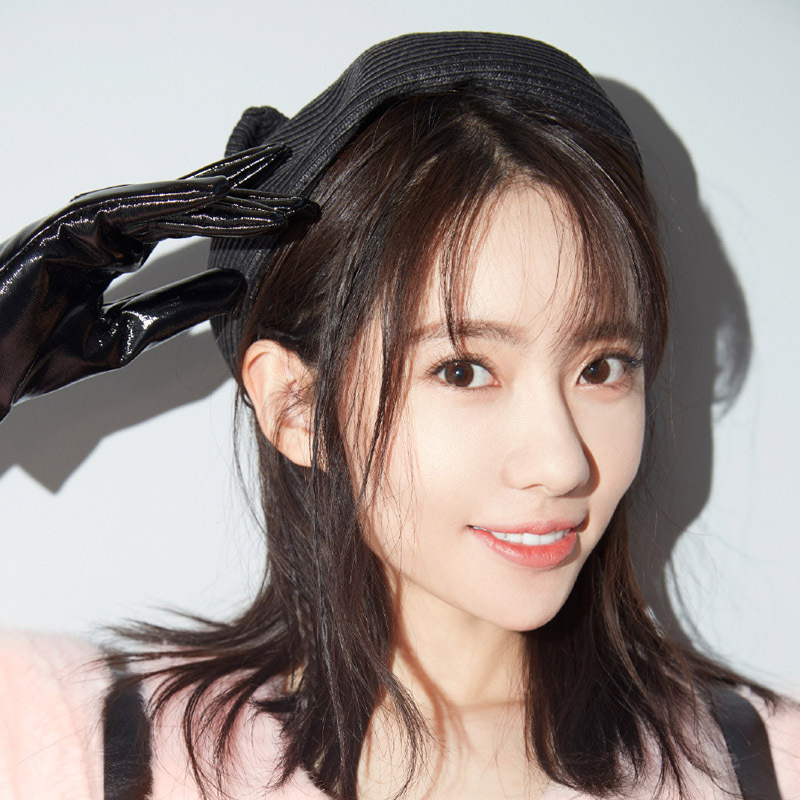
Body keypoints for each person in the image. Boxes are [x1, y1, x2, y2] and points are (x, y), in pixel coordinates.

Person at [0, 31, 798, 800]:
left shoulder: (767, 764)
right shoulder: (73, 745)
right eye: (464, 370)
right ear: (297, 405)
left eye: (601, 367)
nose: (562, 463)